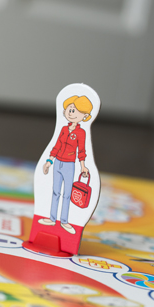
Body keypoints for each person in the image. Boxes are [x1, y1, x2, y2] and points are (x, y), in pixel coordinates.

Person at [39, 95, 92, 235]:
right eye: (69, 109)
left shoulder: (81, 132)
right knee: (55, 191)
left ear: (84, 115)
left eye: (74, 110)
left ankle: (64, 221)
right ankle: (52, 218)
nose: (70, 113)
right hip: (57, 163)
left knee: (67, 194)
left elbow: (81, 150)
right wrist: (49, 161)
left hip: (69, 165)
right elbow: (57, 145)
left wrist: (83, 166)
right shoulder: (63, 128)